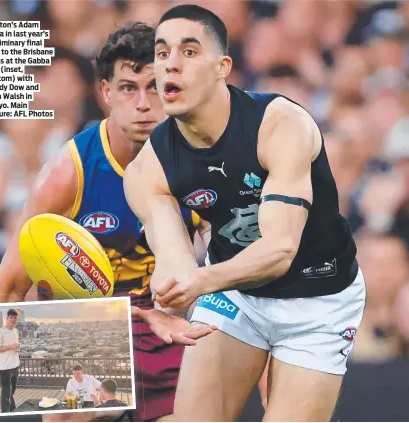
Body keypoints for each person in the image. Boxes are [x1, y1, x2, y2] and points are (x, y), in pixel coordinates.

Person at [0, 21, 214, 423]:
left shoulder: (201, 162)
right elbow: (9, 284)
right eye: (129, 88)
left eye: (155, 87)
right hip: (79, 321)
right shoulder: (69, 171)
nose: (144, 103)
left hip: (163, 317)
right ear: (107, 92)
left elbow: (236, 272)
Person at [124, 5, 366, 421]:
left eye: (189, 51)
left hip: (319, 299)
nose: (171, 66)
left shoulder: (280, 124)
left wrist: (198, 281)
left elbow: (279, 250)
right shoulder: (148, 169)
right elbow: (175, 258)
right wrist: (171, 295)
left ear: (223, 67)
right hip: (236, 294)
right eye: (162, 54)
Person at [0, 309, 20, 413]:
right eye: (11, 317)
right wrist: (11, 346)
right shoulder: (0, 332)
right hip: (5, 367)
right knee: (6, 394)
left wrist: (16, 348)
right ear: (7, 318)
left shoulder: (15, 331)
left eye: (15, 318)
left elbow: (14, 346)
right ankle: (5, 413)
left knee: (11, 391)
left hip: (15, 365)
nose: (13, 319)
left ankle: (12, 410)